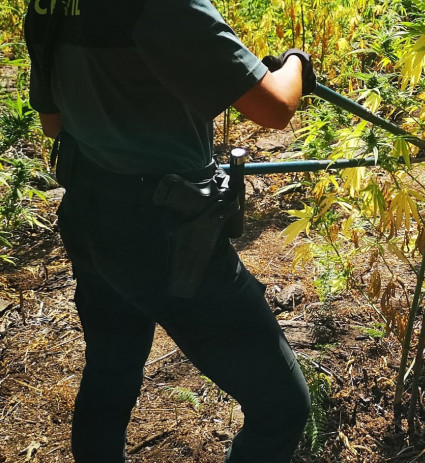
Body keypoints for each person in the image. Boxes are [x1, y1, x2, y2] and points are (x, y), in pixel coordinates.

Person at [24, 0, 315, 461]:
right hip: (165, 234)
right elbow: (275, 108)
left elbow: (53, 122)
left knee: (110, 373)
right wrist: (296, 63)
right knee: (280, 406)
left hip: (90, 213)